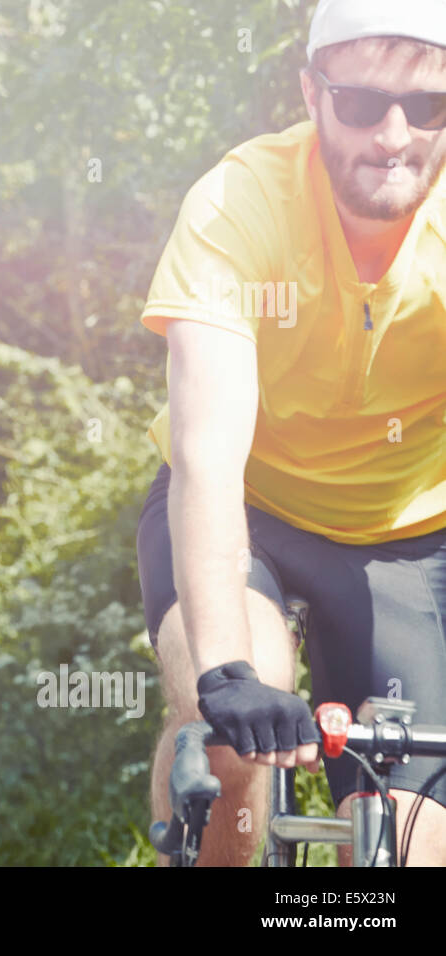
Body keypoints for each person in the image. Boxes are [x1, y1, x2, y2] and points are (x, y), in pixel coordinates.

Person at [140, 0, 446, 865]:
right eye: (362, 103)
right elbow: (206, 457)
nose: (395, 134)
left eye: (428, 107)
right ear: (311, 94)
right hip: (248, 512)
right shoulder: (239, 201)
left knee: (411, 849)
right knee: (233, 729)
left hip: (404, 539)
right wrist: (226, 672)